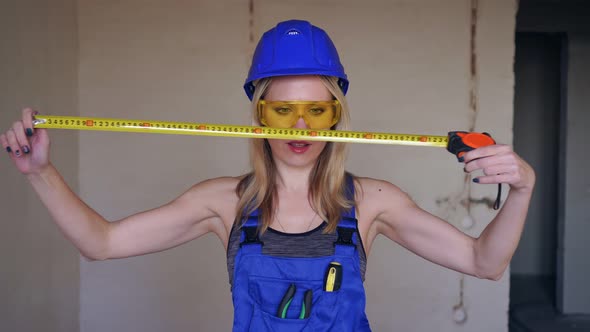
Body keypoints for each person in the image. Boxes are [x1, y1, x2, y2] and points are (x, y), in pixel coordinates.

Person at [1, 19, 535, 331]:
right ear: (259, 116)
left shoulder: (373, 202)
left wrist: (521, 188)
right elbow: (103, 243)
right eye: (283, 111)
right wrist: (39, 172)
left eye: (317, 111)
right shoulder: (223, 203)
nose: (300, 125)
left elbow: (482, 262)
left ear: (336, 117)